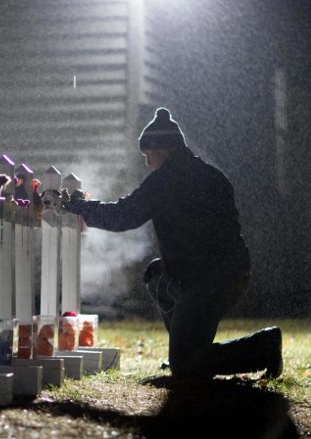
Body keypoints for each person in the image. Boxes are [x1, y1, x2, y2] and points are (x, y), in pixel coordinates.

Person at [64, 107, 282, 381]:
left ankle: (263, 347)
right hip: (227, 272)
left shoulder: (166, 181)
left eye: (148, 154)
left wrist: (78, 207)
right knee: (156, 275)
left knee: (185, 367)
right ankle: (189, 349)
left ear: (163, 149)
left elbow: (123, 216)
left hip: (208, 280)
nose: (147, 162)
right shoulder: (210, 174)